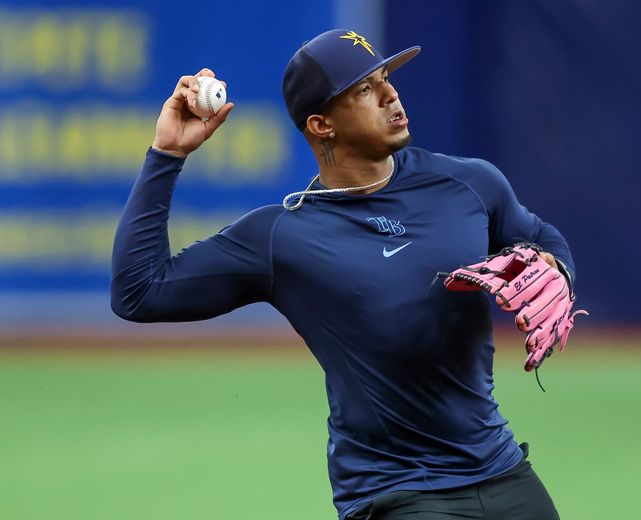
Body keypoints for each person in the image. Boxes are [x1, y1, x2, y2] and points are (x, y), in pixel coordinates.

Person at [112, 29, 576, 520]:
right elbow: (140, 292)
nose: (390, 94)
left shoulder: (470, 183)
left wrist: (554, 266)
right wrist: (167, 155)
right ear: (322, 124)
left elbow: (539, 235)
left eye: (385, 79)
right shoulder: (282, 237)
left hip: (501, 471)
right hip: (397, 494)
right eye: (363, 89)